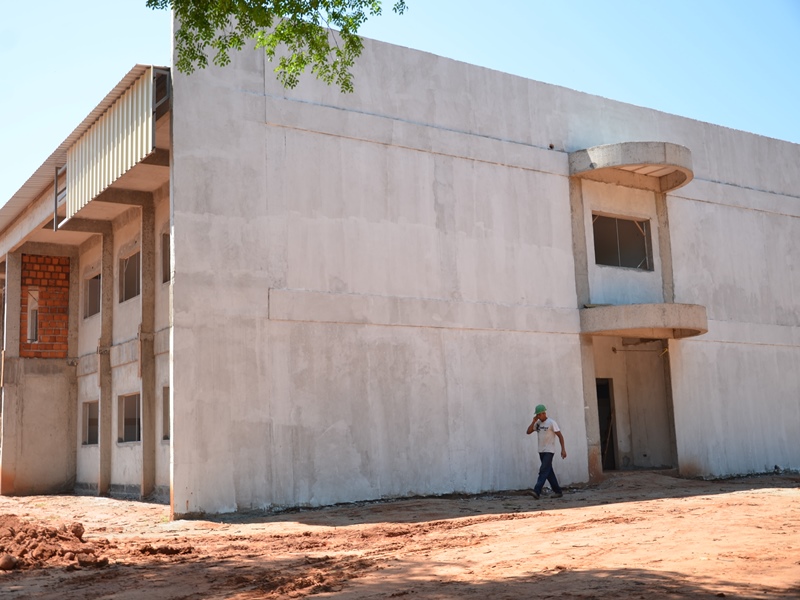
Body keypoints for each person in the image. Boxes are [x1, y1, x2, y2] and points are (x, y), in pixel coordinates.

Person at [526, 404, 567, 499]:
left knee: (543, 470)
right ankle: (558, 491)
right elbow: (528, 432)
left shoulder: (551, 423)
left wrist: (563, 449)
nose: (538, 416)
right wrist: (533, 422)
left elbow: (560, 436)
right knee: (548, 472)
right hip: (541, 451)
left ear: (544, 413)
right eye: (537, 415)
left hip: (549, 450)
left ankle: (537, 491)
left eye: (539, 415)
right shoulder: (538, 423)